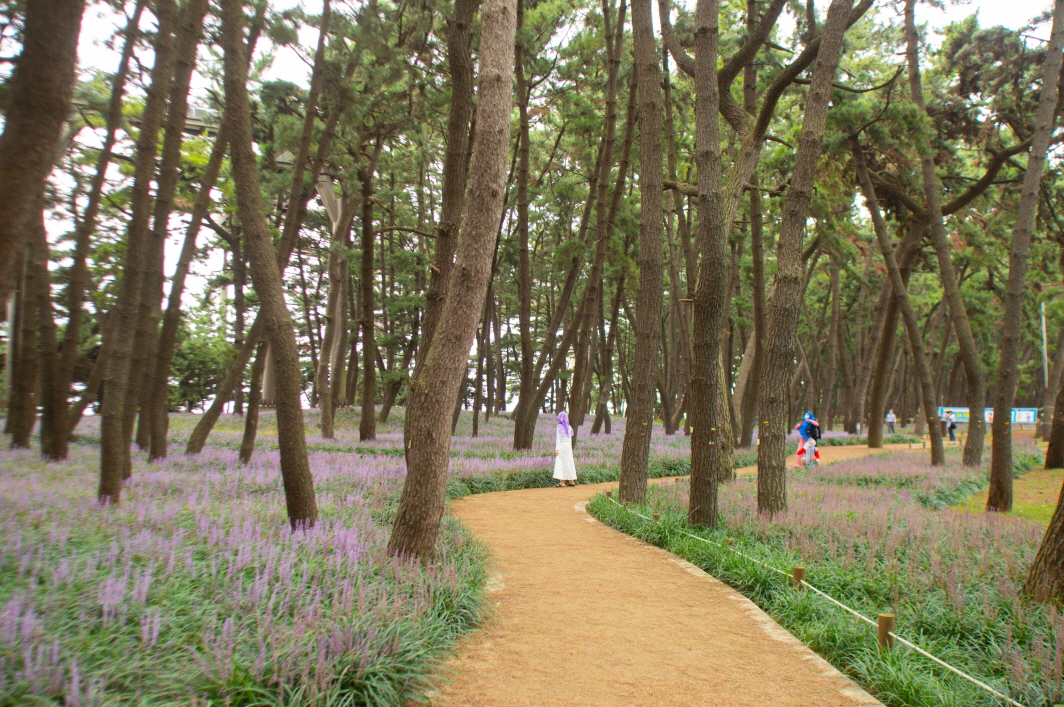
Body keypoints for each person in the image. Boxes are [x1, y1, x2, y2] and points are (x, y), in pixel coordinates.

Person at [552, 412, 577, 487]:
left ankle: (562, 482)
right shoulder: (569, 427)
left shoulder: (559, 427)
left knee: (561, 462)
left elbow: (558, 439)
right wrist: (570, 447)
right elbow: (570, 439)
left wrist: (557, 449)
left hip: (562, 446)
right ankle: (571, 481)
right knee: (569, 462)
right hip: (568, 446)